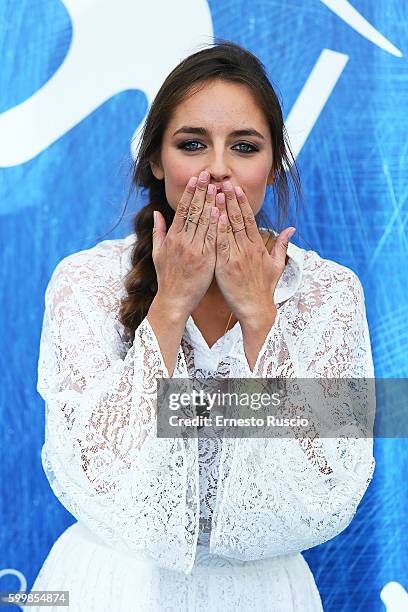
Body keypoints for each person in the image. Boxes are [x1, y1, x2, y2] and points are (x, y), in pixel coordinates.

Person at [29, 41, 375, 611]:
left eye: (244, 146)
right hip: (115, 586)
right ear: (158, 161)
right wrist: (168, 308)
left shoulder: (329, 294)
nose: (218, 168)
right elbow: (91, 477)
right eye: (193, 144)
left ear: (273, 164)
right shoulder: (86, 282)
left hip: (264, 592)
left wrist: (261, 318)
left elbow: (329, 487)